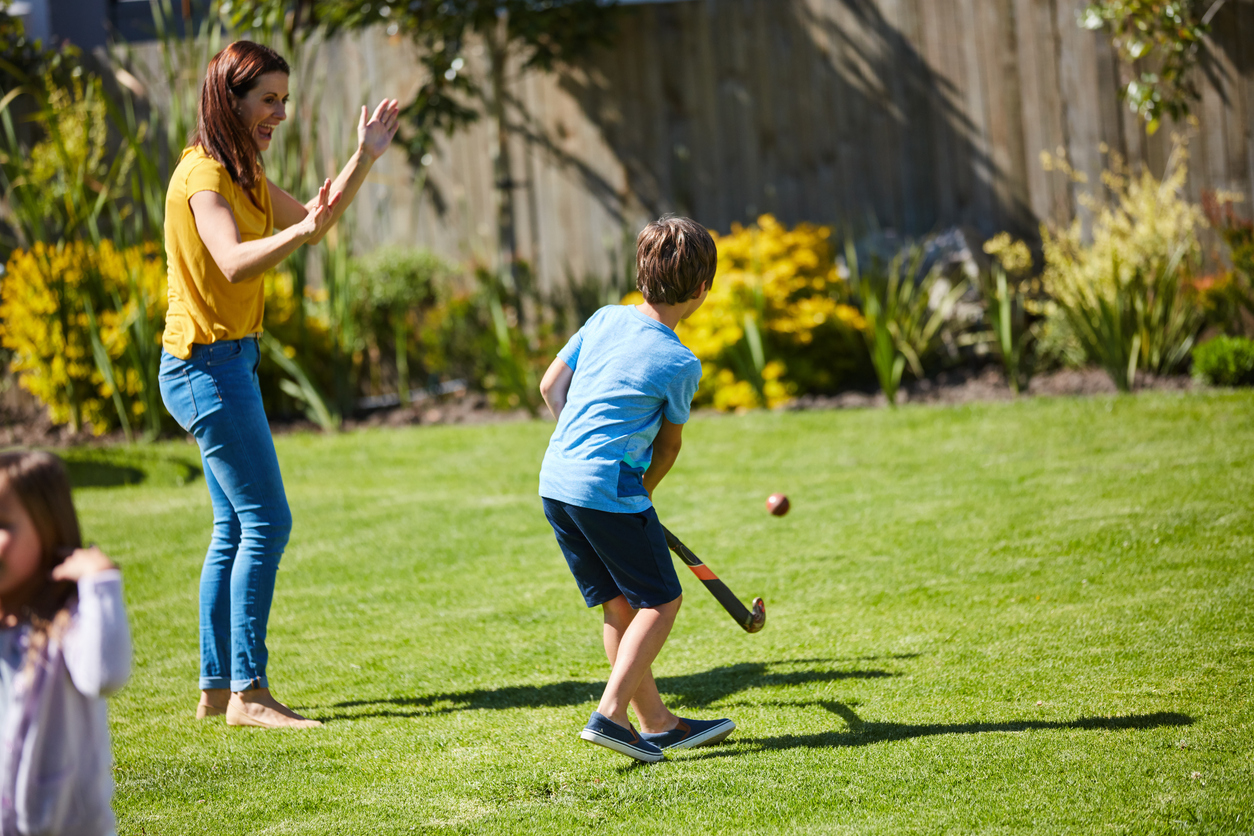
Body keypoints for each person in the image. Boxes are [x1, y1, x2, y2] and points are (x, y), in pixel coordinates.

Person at [159, 41, 400, 728]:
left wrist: (365, 155)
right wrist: (302, 236)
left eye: (284, 100)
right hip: (205, 365)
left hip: (227, 362)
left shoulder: (243, 170)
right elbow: (233, 262)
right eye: (268, 99)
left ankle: (216, 690)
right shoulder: (203, 176)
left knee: (234, 527)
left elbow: (313, 220)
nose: (281, 113)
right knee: (267, 521)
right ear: (229, 99)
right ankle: (249, 693)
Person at [537, 216, 734, 762]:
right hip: (608, 486)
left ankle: (658, 723)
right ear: (701, 289)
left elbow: (550, 385)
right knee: (663, 600)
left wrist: (578, 452)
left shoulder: (603, 319)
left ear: (640, 274)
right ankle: (611, 715)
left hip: (557, 480)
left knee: (617, 604)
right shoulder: (679, 361)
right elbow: (668, 448)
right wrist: (636, 490)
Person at [0, 450, 132, 835]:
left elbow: (105, 674)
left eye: (3, 524)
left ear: (48, 528)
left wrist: (101, 582)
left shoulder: (69, 622)